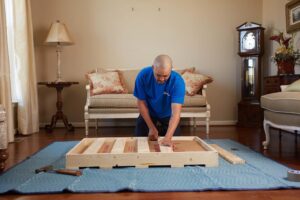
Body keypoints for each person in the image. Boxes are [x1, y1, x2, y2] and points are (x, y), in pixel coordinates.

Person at [133, 55, 185, 146]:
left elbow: (176, 113)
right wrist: (151, 127)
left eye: (165, 76)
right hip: (149, 113)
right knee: (139, 141)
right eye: (158, 75)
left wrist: (168, 138)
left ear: (171, 70)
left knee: (173, 142)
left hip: (168, 116)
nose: (161, 79)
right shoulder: (143, 75)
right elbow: (141, 103)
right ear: (153, 67)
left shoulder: (178, 82)